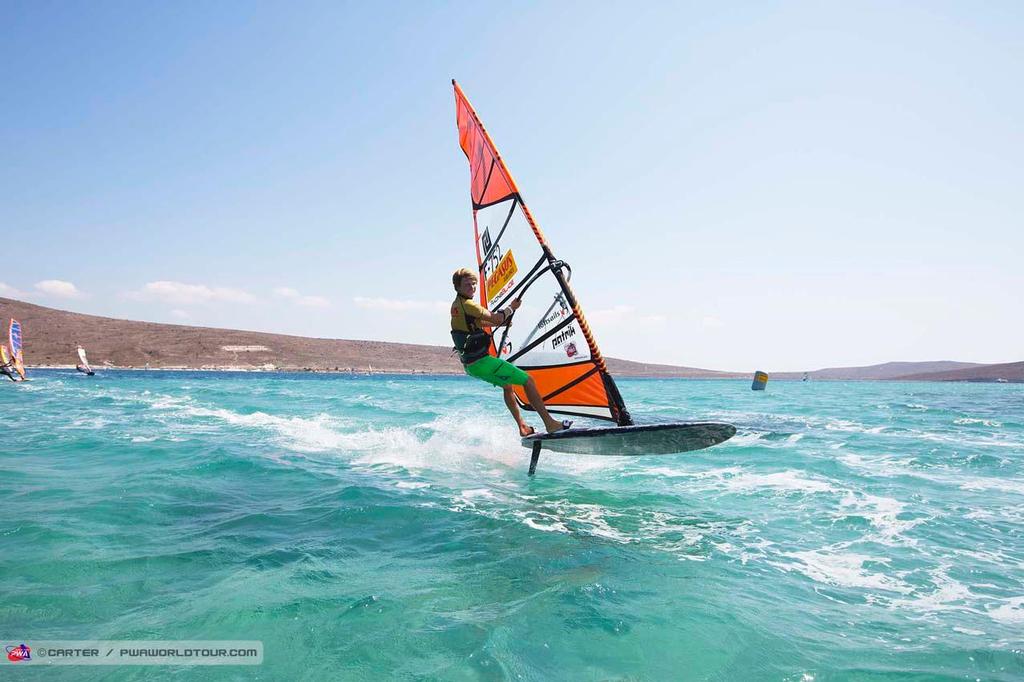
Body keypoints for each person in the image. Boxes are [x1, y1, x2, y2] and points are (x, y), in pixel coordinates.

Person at [450, 267, 570, 436]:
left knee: (507, 386)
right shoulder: (469, 305)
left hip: (471, 366)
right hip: (482, 362)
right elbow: (497, 317)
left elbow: (475, 324)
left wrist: (502, 322)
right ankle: (550, 423)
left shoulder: (458, 306)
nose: (472, 287)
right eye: (467, 284)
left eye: (473, 284)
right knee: (528, 380)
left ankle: (522, 427)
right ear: (458, 287)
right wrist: (511, 308)